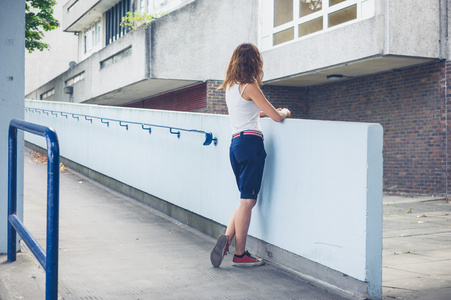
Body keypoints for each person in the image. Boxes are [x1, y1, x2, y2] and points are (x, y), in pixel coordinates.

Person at [210, 43, 291, 268]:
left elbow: (252, 111)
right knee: (248, 200)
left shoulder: (231, 87)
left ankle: (227, 238)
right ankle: (240, 255)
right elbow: (276, 116)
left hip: (235, 144)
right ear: (254, 62)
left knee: (245, 198)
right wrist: (284, 112)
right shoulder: (250, 87)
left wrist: (266, 113)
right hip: (250, 143)